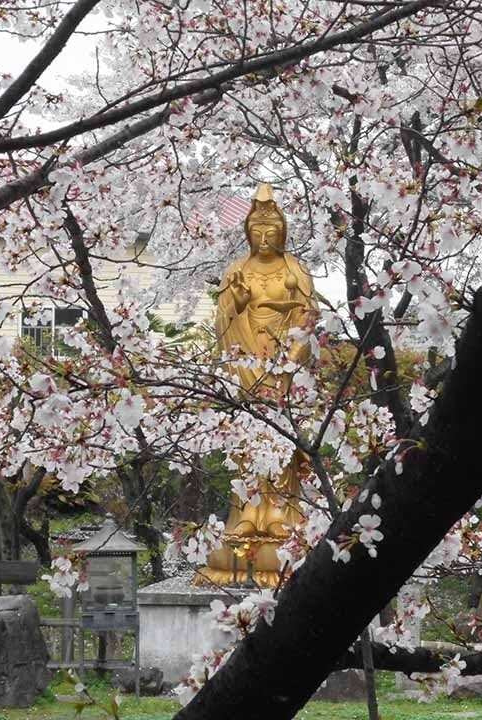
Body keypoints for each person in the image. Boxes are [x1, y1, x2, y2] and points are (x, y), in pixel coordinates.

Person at [200, 184, 318, 586]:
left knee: (280, 440)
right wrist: (235, 302)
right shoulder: (237, 269)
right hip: (245, 360)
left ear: (283, 232)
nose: (264, 237)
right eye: (257, 230)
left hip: (283, 363)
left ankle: (283, 514)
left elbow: (310, 319)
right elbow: (222, 318)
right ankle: (248, 513)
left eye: (272, 230)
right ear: (248, 232)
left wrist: (290, 359)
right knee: (249, 440)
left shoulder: (295, 270)